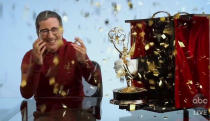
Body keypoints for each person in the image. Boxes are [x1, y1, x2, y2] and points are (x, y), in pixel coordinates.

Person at [20, 10, 102, 102]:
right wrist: (36, 65)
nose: (50, 36)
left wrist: (84, 62)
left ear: (62, 30)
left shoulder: (74, 50)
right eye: (44, 31)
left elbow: (96, 83)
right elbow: (26, 94)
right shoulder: (30, 56)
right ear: (37, 33)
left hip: (76, 112)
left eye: (54, 29)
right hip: (44, 115)